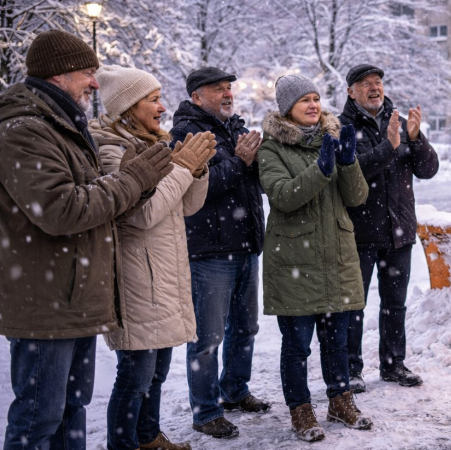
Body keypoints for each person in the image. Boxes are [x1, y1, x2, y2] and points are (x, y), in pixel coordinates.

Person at [0, 30, 173, 450]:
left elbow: (97, 204)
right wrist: (133, 180)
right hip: (46, 302)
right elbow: (62, 209)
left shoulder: (63, 126)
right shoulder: (24, 129)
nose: (95, 83)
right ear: (58, 75)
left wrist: (140, 186)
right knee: (39, 419)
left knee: (70, 411)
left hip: (74, 297)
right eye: (86, 73)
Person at [90, 65, 217, 450]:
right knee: (134, 378)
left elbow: (187, 206)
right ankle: (123, 445)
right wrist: (181, 168)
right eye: (153, 100)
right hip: (136, 280)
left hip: (161, 274)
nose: (163, 107)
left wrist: (196, 172)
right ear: (128, 106)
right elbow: (143, 214)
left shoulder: (153, 144)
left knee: (156, 374)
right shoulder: (112, 149)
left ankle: (148, 438)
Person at [258, 74, 372, 442]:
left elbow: (357, 198)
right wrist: (321, 169)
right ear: (287, 108)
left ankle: (340, 400)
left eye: (316, 98)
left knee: (337, 342)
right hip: (295, 261)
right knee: (297, 346)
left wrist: (348, 162)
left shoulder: (331, 139)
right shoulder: (272, 148)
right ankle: (301, 409)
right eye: (304, 99)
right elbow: (283, 196)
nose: (313, 105)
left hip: (335, 256)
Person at [170, 67, 268, 438]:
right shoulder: (186, 134)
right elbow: (200, 189)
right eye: (218, 89)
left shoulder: (236, 128)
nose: (227, 94)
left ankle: (235, 390)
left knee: (245, 327)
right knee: (207, 338)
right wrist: (240, 162)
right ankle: (206, 411)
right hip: (209, 251)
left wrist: (259, 161)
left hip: (246, 245)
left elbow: (255, 182)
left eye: (229, 88)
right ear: (196, 96)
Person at [337, 64, 439, 393]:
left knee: (395, 304)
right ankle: (351, 369)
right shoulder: (341, 128)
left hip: (399, 231)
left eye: (377, 82)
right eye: (365, 83)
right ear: (351, 91)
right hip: (359, 233)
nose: (374, 88)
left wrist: (416, 138)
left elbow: (428, 169)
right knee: (354, 305)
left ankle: (394, 364)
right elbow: (351, 174)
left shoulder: (400, 123)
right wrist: (389, 146)